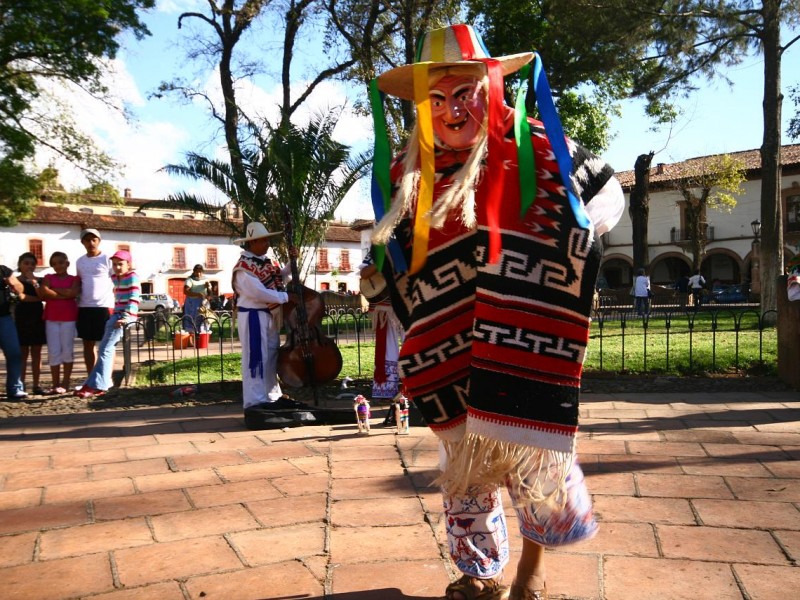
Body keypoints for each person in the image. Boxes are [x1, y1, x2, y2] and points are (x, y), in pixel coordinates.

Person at [369, 24, 624, 600]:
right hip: (451, 343)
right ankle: (478, 574)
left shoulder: (538, 146)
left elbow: (608, 194)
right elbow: (400, 252)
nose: (452, 110)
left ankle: (530, 578)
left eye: (464, 93)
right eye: (436, 100)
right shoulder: (407, 174)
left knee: (536, 455)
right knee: (464, 470)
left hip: (525, 333)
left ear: (492, 86)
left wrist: (568, 238)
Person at [231, 222, 311, 430]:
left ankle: (271, 396)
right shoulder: (243, 268)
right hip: (254, 317)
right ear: (252, 242)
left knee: (270, 357)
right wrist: (286, 297)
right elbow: (258, 293)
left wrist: (291, 262)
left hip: (269, 316)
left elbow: (280, 278)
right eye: (264, 240)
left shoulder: (266, 263)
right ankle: (255, 402)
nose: (267, 243)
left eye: (268, 239)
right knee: (255, 359)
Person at [75, 250, 140, 398]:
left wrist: (127, 316)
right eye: (115, 264)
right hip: (115, 315)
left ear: (129, 264)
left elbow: (135, 297)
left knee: (105, 350)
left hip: (124, 317)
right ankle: (95, 383)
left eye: (121, 264)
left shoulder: (132, 277)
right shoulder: (115, 278)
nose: (117, 267)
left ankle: (98, 385)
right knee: (105, 349)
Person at [359, 249, 403, 400]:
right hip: (384, 307)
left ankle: (413, 385)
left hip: (406, 303)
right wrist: (381, 264)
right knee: (388, 347)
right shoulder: (378, 249)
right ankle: (387, 388)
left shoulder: (410, 243)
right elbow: (364, 273)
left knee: (412, 343)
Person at [38, 251, 81, 394]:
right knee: (53, 352)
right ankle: (55, 384)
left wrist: (54, 291)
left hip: (68, 318)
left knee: (67, 350)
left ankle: (65, 382)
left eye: (61, 262)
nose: (58, 266)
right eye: (54, 263)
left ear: (67, 263)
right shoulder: (48, 277)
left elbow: (73, 293)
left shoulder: (75, 279)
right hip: (51, 318)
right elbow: (44, 292)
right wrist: (64, 294)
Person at [75, 229, 114, 373]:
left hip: (104, 306)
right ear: (82, 242)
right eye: (87, 240)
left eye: (94, 239)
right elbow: (79, 283)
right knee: (87, 344)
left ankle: (105, 376)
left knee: (106, 344)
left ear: (99, 241)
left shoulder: (107, 258)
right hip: (84, 307)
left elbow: (116, 281)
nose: (91, 243)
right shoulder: (79, 261)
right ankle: (91, 376)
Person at [14, 252, 47, 394]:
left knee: (37, 353)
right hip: (21, 318)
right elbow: (19, 297)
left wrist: (33, 282)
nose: (29, 266)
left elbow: (43, 295)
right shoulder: (14, 280)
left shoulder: (39, 280)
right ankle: (20, 384)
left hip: (37, 318)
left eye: (32, 264)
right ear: (20, 265)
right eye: (26, 263)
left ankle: (36, 384)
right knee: (22, 353)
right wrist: (37, 299)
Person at [1, 262, 26, 400]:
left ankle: (15, 388)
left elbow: (20, 289)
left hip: (4, 318)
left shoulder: (3, 270)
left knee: (15, 354)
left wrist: (13, 284)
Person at [183, 264, 211, 332]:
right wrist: (197, 294)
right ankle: (191, 335)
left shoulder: (206, 279)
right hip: (192, 303)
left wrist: (208, 289)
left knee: (203, 320)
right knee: (192, 320)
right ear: (194, 271)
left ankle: (202, 335)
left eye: (200, 272)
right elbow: (185, 291)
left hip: (203, 303)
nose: (199, 274)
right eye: (197, 272)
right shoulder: (190, 280)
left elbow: (210, 293)